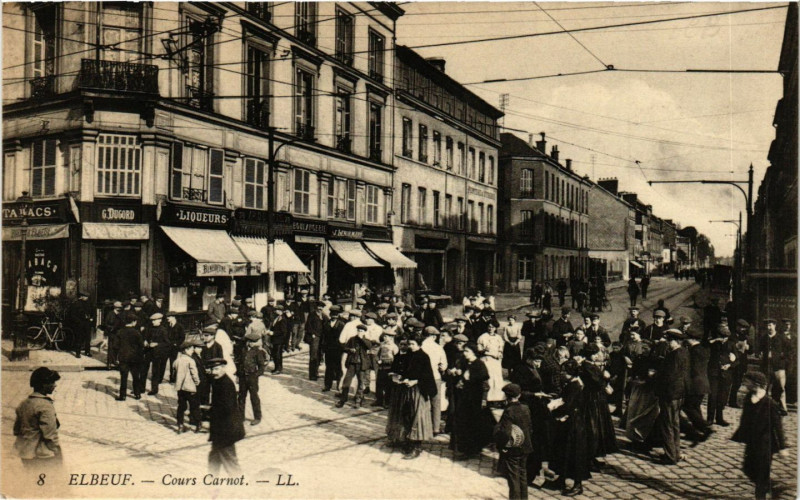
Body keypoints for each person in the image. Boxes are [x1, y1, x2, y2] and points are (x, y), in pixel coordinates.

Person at [731, 371, 788, 500]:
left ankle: (761, 496)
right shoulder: (748, 398)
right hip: (752, 442)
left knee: (761, 474)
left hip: (765, 444)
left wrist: (782, 447)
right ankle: (772, 486)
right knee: (748, 469)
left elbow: (778, 426)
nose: (744, 384)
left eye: (746, 382)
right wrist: (740, 435)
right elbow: (745, 419)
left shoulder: (770, 404)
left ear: (755, 384)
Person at [550, 359, 590, 496]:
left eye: (564, 372)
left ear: (571, 373)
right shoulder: (572, 383)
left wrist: (553, 409)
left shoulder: (575, 386)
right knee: (563, 451)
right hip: (570, 422)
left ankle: (578, 485)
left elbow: (568, 405)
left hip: (574, 424)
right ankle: (561, 478)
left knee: (574, 453)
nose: (562, 374)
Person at [14, 367, 62, 470]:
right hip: (43, 456)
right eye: (52, 382)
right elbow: (50, 435)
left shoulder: (23, 404)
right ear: (44, 384)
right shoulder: (45, 406)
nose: (55, 385)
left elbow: (16, 430)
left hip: (25, 454)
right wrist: (58, 452)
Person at [399, 335, 438, 459]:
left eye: (413, 344)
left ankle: (417, 447)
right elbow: (405, 370)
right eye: (409, 344)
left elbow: (427, 376)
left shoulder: (423, 357)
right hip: (408, 390)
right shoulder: (409, 355)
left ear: (419, 345)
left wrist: (415, 381)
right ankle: (409, 442)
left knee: (417, 418)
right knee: (408, 416)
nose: (410, 346)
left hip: (419, 391)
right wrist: (404, 378)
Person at [654, 329, 689, 465]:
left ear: (675, 341)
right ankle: (676, 452)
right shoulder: (684, 352)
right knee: (675, 424)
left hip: (669, 394)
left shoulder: (674, 355)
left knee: (667, 424)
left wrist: (655, 378)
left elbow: (669, 376)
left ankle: (670, 456)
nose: (668, 343)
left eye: (669, 341)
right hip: (679, 393)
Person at [494, 383, 533, 500]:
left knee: (513, 478)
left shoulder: (509, 411)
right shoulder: (525, 408)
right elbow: (530, 428)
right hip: (525, 446)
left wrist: (502, 446)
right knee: (523, 475)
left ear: (506, 396)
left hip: (514, 449)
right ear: (519, 395)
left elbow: (506, 432)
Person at [206, 358, 245, 474]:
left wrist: (210, 412)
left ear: (223, 368)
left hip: (226, 431)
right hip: (221, 430)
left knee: (230, 462)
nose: (214, 372)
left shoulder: (225, 384)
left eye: (217, 369)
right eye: (212, 369)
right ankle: (211, 483)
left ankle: (241, 486)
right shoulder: (218, 381)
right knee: (214, 458)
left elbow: (226, 409)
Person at [682, 327, 712, 444]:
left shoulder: (693, 351)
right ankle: (699, 431)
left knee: (687, 406)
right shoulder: (704, 349)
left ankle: (705, 428)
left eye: (687, 338)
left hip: (695, 383)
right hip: (703, 383)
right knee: (695, 407)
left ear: (692, 339)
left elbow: (691, 369)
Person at [707, 323, 737, 427]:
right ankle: (709, 418)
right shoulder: (713, 343)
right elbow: (705, 345)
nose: (723, 339)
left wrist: (729, 365)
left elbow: (737, 360)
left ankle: (719, 418)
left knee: (722, 397)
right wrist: (715, 340)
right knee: (713, 396)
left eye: (725, 337)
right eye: (722, 336)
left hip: (725, 374)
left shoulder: (732, 344)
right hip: (714, 373)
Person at [337, 324, 374, 408]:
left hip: (362, 365)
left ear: (364, 332)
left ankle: (358, 400)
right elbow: (344, 348)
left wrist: (362, 339)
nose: (359, 332)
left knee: (361, 383)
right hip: (352, 363)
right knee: (346, 382)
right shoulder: (352, 339)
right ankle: (343, 399)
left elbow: (369, 347)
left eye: (361, 331)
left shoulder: (367, 340)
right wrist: (350, 349)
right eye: (358, 330)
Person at [759, 318, 790, 414]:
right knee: (765, 387)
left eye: (770, 325)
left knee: (780, 388)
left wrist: (783, 358)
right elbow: (759, 349)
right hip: (766, 366)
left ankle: (782, 408)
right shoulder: (764, 338)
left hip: (779, 367)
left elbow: (789, 350)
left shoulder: (781, 337)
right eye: (767, 326)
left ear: (775, 326)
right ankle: (764, 408)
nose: (768, 327)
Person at [421, 326, 447, 434]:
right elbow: (444, 365)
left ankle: (424, 426)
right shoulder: (438, 348)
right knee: (436, 403)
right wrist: (440, 368)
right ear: (434, 336)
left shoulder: (421, 346)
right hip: (435, 377)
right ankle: (435, 428)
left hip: (422, 378)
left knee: (424, 402)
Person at [238, 331, 267, 426]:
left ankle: (257, 417)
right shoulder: (243, 350)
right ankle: (240, 417)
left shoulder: (258, 352)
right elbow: (239, 363)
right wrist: (238, 374)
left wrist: (256, 375)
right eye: (249, 341)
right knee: (241, 397)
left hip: (252, 377)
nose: (250, 343)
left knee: (254, 397)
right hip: (243, 377)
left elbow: (262, 367)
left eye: (252, 342)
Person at [477, 320, 506, 410]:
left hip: (496, 361)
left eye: (493, 327)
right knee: (489, 379)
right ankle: (488, 399)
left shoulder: (498, 337)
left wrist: (500, 353)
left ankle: (497, 399)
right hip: (487, 360)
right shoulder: (482, 337)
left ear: (495, 328)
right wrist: (485, 350)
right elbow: (479, 350)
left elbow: (500, 348)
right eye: (489, 327)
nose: (491, 329)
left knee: (497, 379)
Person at [116, 312, 145, 401]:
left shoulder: (120, 332)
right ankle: (137, 394)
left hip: (123, 357)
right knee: (136, 376)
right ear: (133, 322)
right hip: (135, 358)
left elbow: (115, 346)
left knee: (123, 377)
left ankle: (122, 395)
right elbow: (141, 346)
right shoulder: (136, 333)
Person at [174, 340, 201, 433]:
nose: (193, 351)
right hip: (190, 388)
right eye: (191, 349)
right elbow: (194, 374)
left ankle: (180, 425)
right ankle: (197, 425)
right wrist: (197, 382)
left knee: (181, 407)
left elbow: (174, 373)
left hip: (180, 388)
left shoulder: (177, 360)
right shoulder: (191, 361)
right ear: (186, 350)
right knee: (194, 406)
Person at [143, 313, 171, 396]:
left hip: (157, 354)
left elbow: (167, 343)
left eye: (155, 320)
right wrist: (145, 341)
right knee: (143, 370)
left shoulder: (163, 330)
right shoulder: (149, 328)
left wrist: (157, 344)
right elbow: (145, 337)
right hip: (148, 352)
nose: (153, 322)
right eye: (152, 321)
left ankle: (154, 389)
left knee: (155, 372)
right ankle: (141, 388)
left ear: (160, 320)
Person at [322, 306, 346, 392]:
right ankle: (327, 385)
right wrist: (323, 348)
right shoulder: (326, 324)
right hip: (328, 349)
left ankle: (339, 386)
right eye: (332, 314)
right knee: (328, 368)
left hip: (338, 349)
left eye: (335, 315)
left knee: (338, 368)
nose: (333, 316)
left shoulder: (342, 324)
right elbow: (323, 337)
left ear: (338, 315)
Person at [374, 329, 399, 408]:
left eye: (386, 336)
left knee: (388, 385)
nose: (384, 338)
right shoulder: (382, 345)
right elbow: (377, 354)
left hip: (389, 368)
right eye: (384, 336)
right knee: (379, 384)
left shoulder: (394, 347)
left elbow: (396, 359)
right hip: (381, 367)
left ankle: (387, 402)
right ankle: (379, 400)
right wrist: (378, 360)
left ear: (391, 338)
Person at [66, 292, 94, 359]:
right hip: (79, 324)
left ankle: (87, 352)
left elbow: (93, 312)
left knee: (88, 338)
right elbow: (72, 315)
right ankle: (78, 353)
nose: (86, 298)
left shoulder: (89, 303)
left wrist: (92, 318)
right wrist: (78, 321)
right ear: (82, 296)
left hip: (87, 323)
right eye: (85, 296)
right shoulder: (76, 304)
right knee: (79, 338)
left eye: (87, 297)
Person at [305, 301, 326, 381]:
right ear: (316, 307)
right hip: (315, 337)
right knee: (313, 355)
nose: (320, 308)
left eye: (321, 307)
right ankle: (312, 375)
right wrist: (312, 334)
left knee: (319, 355)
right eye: (319, 307)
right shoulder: (312, 315)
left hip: (322, 338)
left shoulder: (324, 316)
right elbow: (308, 326)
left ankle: (316, 372)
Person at [269, 305, 290, 375]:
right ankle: (276, 368)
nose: (275, 311)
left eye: (276, 310)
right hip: (275, 339)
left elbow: (283, 331)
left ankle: (278, 369)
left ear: (280, 311)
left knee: (278, 354)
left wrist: (273, 333)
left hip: (279, 340)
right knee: (275, 354)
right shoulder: (278, 317)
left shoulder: (283, 319)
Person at [166, 315, 185, 383]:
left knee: (173, 363)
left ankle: (173, 377)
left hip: (175, 348)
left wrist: (177, 344)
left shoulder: (179, 326)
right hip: (167, 346)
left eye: (169, 316)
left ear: (174, 317)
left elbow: (182, 337)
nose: (168, 318)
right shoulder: (167, 326)